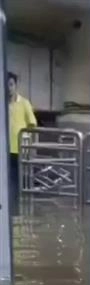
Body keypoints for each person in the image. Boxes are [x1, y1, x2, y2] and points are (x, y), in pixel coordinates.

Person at [7, 72, 37, 207]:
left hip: (18, 149)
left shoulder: (24, 103)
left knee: (16, 180)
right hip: (4, 149)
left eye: (11, 84)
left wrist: (30, 146)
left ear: (15, 85)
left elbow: (32, 125)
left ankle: (16, 207)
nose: (8, 88)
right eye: (6, 85)